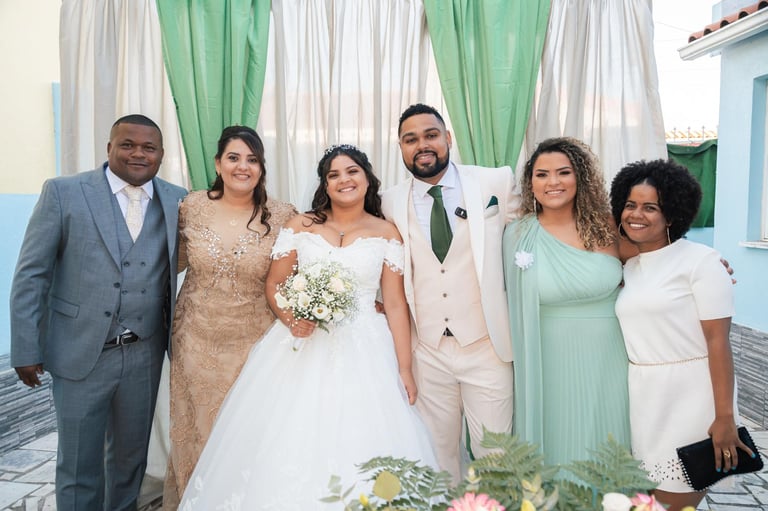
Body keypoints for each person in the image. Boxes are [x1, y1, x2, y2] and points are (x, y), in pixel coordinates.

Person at [179, 144, 436, 509]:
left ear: (367, 179)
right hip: (300, 344)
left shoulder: (387, 233)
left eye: (352, 171)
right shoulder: (301, 225)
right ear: (325, 185)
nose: (344, 180)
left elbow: (394, 303)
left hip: (365, 348)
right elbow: (275, 284)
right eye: (334, 175)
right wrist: (292, 319)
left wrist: (405, 368)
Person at [10, 114, 188, 511]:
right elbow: (32, 274)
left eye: (149, 148)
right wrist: (25, 346)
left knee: (130, 462)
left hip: (144, 353)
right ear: (109, 148)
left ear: (161, 155)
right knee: (78, 464)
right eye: (127, 144)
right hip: (80, 351)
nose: (138, 153)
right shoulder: (64, 192)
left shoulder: (178, 199)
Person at [380, 103, 518, 483]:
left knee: (497, 456)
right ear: (401, 147)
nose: (422, 145)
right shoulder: (388, 202)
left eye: (431, 135)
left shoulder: (495, 183)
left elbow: (531, 238)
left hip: (487, 346)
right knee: (436, 456)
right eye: (411, 139)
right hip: (427, 351)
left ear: (448, 138)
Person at [162, 126, 297, 508]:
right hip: (195, 341)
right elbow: (167, 263)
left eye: (252, 159)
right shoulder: (190, 207)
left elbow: (305, 269)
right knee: (200, 431)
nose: (243, 167)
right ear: (218, 164)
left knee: (247, 432)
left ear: (262, 168)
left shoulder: (283, 215)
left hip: (255, 344)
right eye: (234, 158)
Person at [611, 159, 752, 511]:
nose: (636, 214)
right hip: (643, 397)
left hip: (691, 398)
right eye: (630, 204)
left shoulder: (702, 262)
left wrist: (724, 417)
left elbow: (718, 343)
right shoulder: (630, 265)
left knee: (674, 503)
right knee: (648, 501)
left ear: (672, 214)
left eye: (650, 207)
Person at [501, 137, 631, 471]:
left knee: (607, 443)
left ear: (580, 177)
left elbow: (656, 262)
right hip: (545, 361)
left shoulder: (609, 226)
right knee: (557, 443)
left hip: (609, 360)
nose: (553, 182)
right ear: (530, 183)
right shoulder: (516, 234)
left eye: (563, 172)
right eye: (542, 174)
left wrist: (705, 268)